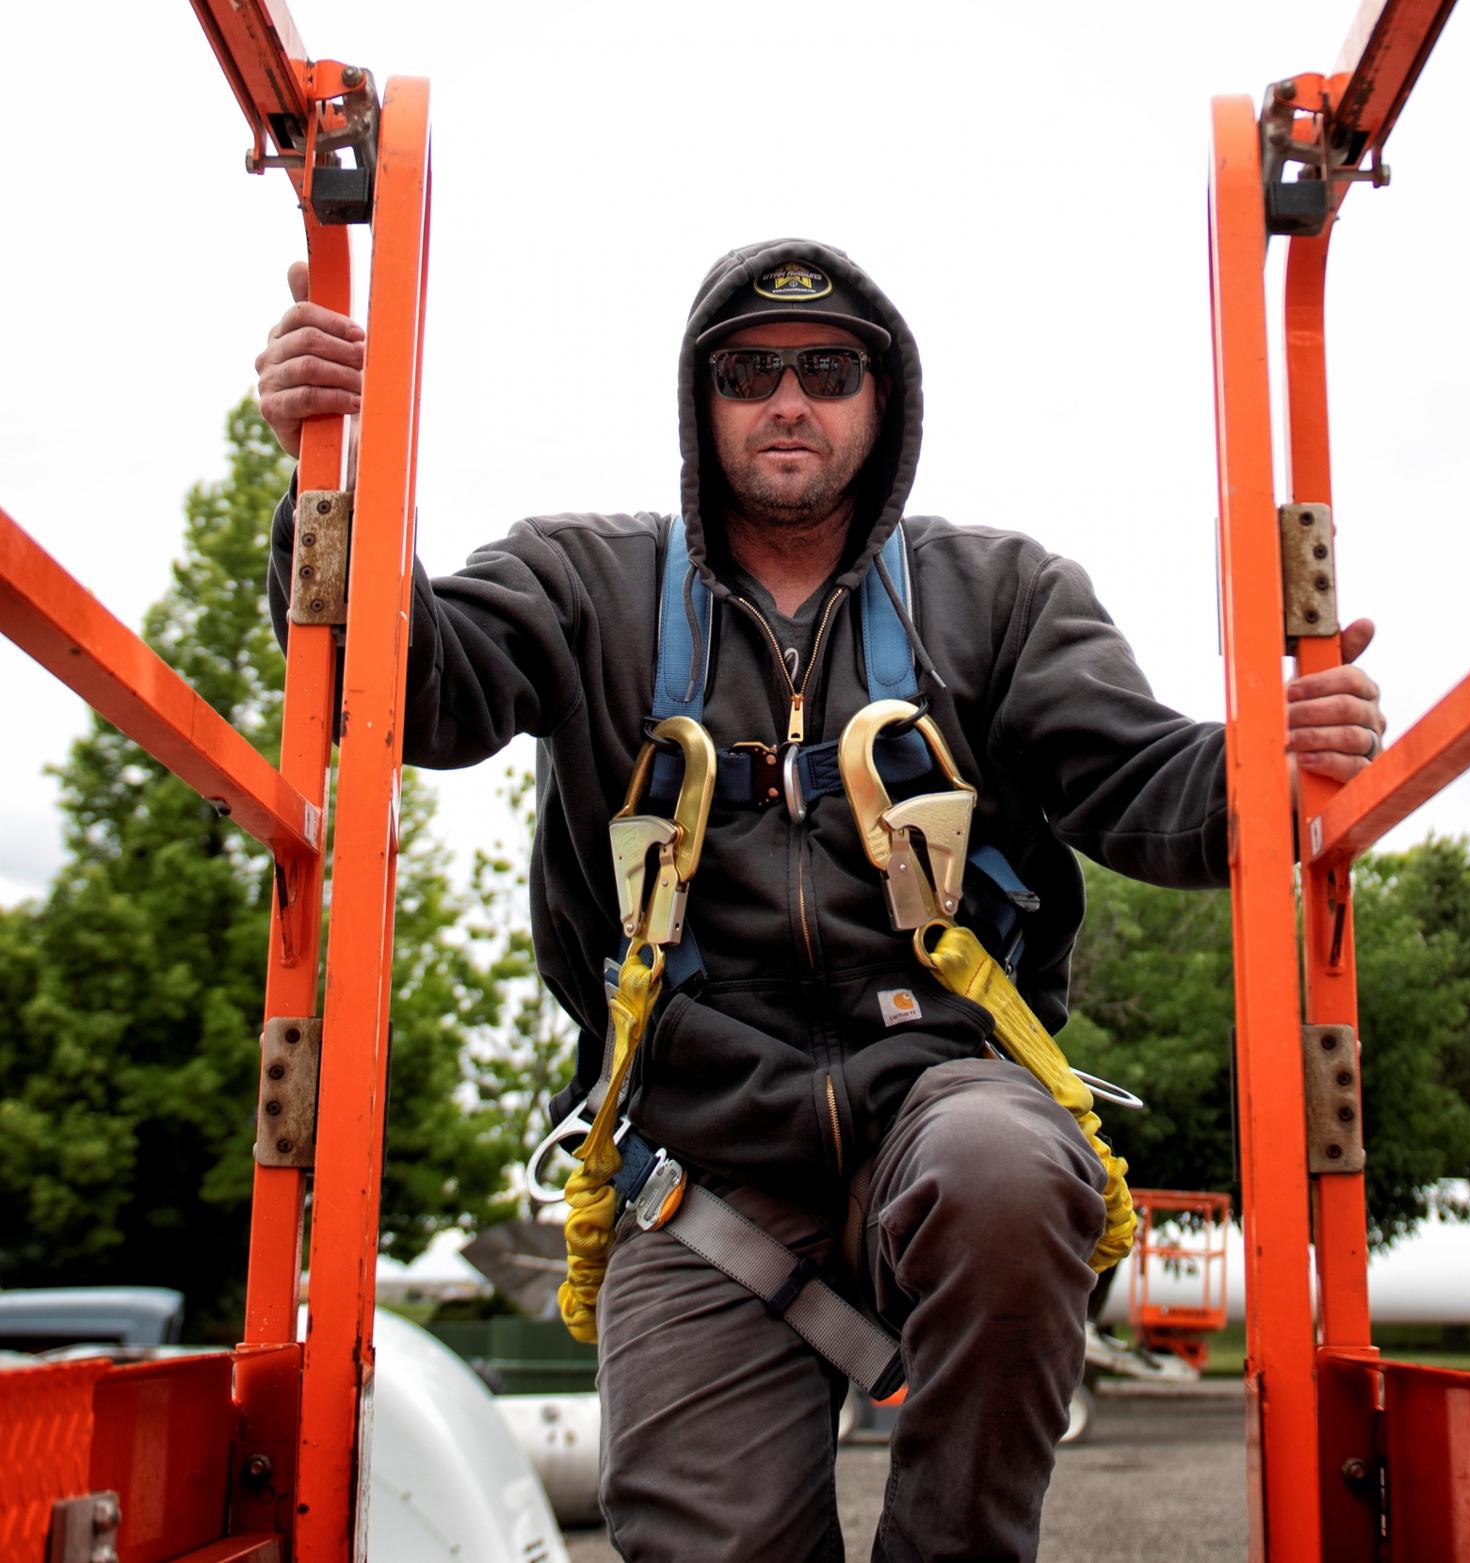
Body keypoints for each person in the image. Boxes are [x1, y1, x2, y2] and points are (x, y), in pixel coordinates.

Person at [258, 240, 1384, 1562]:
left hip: (940, 1096)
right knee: (703, 1543)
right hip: (706, 1160)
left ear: (884, 400)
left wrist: (1277, 763)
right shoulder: (585, 586)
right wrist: (324, 477)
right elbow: (408, 692)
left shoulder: (1000, 598)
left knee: (1010, 1166)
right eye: (749, 371)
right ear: (702, 402)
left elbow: (1150, 787)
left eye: (826, 370)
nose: (787, 399)